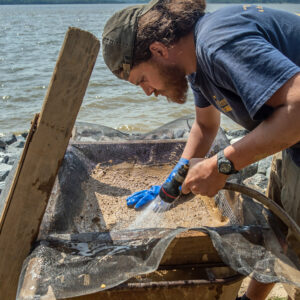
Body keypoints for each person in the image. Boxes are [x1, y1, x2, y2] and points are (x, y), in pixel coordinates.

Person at [102, 0, 300, 299]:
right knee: (277, 229)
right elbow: (205, 126)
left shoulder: (218, 43)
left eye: (142, 79)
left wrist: (222, 164)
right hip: (292, 140)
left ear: (158, 50)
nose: (148, 92)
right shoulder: (194, 62)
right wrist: (173, 182)